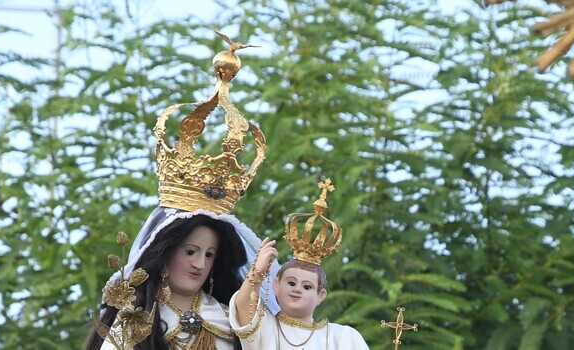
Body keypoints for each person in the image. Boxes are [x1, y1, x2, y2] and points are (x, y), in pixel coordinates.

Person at [84, 30, 279, 350]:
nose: (199, 264)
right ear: (166, 250)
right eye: (190, 251)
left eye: (208, 254)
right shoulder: (134, 320)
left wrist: (255, 282)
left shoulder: (231, 320)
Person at [229, 179, 369, 349]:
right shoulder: (262, 325)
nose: (297, 289)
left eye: (307, 287)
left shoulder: (342, 337)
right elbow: (243, 303)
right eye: (291, 283)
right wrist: (257, 272)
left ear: (321, 295)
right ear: (276, 285)